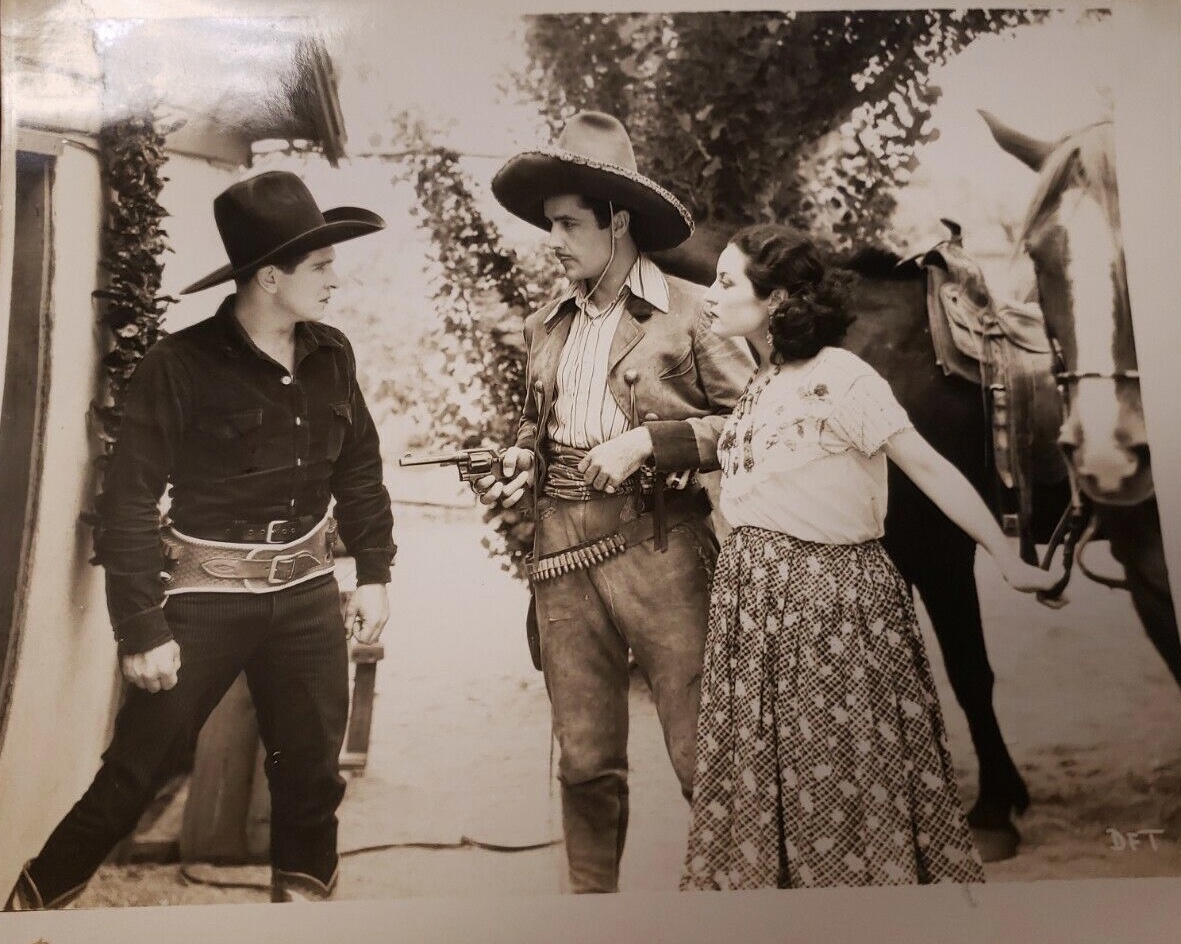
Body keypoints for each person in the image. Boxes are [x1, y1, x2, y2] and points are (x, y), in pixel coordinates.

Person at [4, 171, 395, 910]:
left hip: (310, 598)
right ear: (271, 277)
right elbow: (126, 504)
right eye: (320, 267)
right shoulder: (177, 366)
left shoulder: (331, 354)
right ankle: (26, 914)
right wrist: (142, 629)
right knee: (132, 776)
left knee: (312, 781)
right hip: (207, 599)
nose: (334, 281)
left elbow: (361, 469)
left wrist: (373, 571)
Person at [680, 223, 1062, 890]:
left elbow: (930, 469)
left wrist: (1005, 557)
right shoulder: (762, 382)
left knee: (838, 798)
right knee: (776, 798)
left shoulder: (841, 377)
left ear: (774, 301)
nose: (709, 296)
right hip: (758, 619)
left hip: (829, 621)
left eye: (725, 282)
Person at [478, 111, 754, 893]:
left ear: (618, 220)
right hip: (562, 556)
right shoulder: (547, 321)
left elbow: (755, 424)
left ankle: (736, 904)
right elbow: (542, 428)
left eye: (568, 223)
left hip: (662, 548)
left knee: (702, 746)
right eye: (549, 224)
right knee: (584, 753)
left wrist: (650, 443)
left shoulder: (693, 312)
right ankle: (592, 909)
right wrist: (515, 458)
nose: (554, 239)